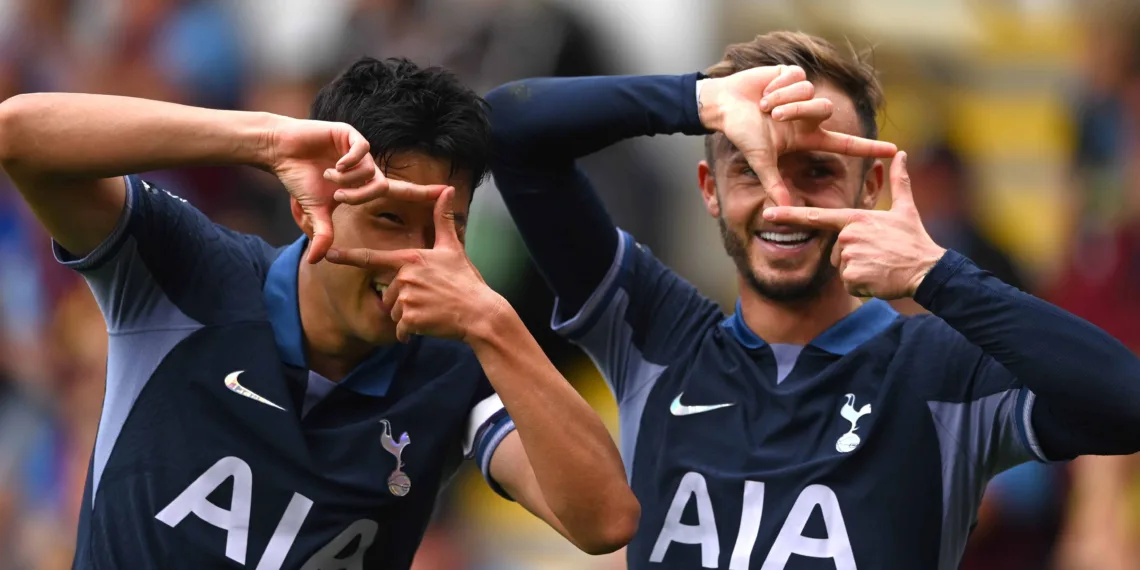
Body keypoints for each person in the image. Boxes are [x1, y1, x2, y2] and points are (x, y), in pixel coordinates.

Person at [478, 31, 1140, 568]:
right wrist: (695, 100)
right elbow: (508, 125)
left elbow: (1125, 404)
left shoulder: (940, 371)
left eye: (816, 171)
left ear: (872, 185)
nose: (782, 201)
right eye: (750, 167)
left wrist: (937, 274)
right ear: (710, 189)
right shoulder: (656, 330)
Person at [0, 56, 638, 569]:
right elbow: (19, 135)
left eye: (447, 228)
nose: (416, 258)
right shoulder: (187, 270)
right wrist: (264, 140)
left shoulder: (456, 367)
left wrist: (493, 322)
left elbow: (605, 521)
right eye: (390, 219)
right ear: (312, 208)